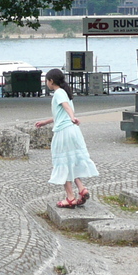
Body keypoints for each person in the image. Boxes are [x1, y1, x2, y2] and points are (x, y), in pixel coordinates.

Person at [34, 68, 99, 208]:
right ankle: (82, 188)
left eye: (47, 80)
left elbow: (66, 108)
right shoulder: (65, 93)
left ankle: (70, 197)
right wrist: (45, 122)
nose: (46, 83)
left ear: (51, 81)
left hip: (64, 132)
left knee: (62, 163)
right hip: (73, 131)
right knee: (70, 162)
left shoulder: (58, 93)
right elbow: (61, 113)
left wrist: (72, 117)